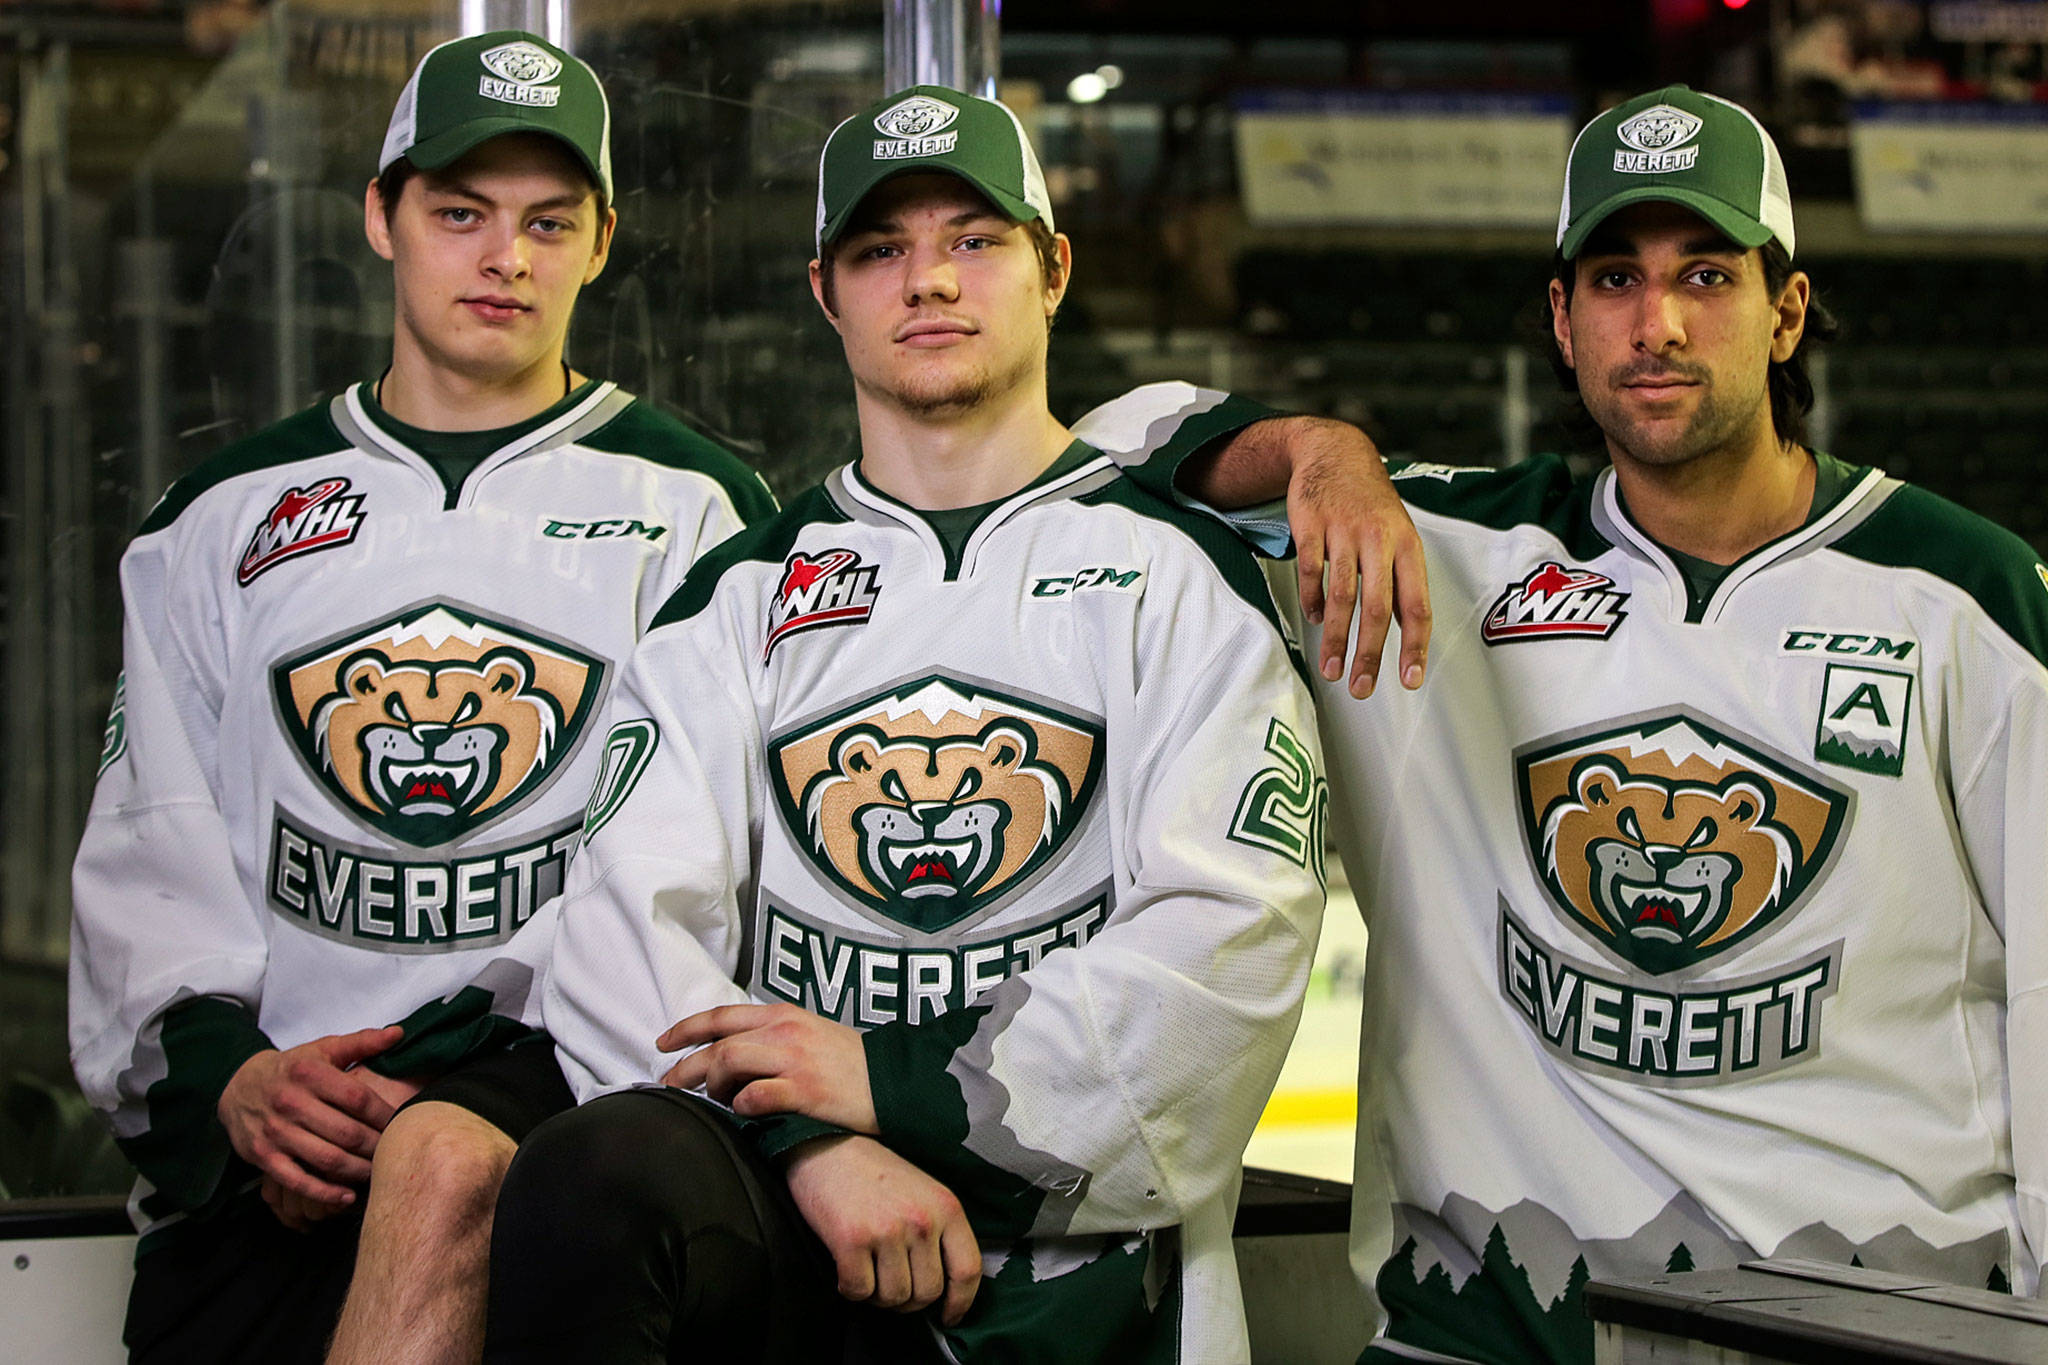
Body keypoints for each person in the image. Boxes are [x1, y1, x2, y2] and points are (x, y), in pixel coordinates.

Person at [1076, 84, 2048, 1364]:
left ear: (1785, 311)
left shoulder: (1960, 591)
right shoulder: (1441, 551)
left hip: (1870, 1327)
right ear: (1559, 318)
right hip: (1484, 1333)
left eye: (1704, 274)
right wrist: (1324, 449)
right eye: (1610, 280)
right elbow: (1106, 447)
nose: (1655, 323)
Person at [480, 85, 1328, 1363]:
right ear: (826, 291)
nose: (926, 281)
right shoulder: (743, 595)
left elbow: (1228, 946)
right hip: (802, 1232)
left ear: (1050, 269)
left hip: (1082, 1279)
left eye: (971, 241)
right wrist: (816, 1145)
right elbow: (620, 938)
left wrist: (892, 1087)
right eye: (882, 250)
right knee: (595, 1172)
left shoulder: (1174, 573)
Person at [69, 31, 774, 1365]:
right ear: (382, 219)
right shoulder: (222, 520)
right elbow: (144, 867)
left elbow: (707, 876)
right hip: (276, 1137)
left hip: (560, 1113)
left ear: (601, 241)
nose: (506, 255)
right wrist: (237, 1085)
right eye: (461, 213)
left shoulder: (703, 516)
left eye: (546, 221)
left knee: (448, 1170)